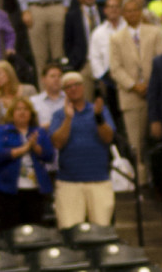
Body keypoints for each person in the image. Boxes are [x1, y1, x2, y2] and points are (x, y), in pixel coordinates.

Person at [109, 0, 162, 184]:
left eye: (135, 10)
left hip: (155, 93)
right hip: (131, 96)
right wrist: (134, 86)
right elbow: (115, 68)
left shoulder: (154, 32)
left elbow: (161, 60)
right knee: (136, 144)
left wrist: (152, 84)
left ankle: (159, 181)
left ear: (141, 12)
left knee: (157, 138)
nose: (132, 13)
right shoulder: (116, 38)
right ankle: (141, 184)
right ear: (123, 14)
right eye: (128, 11)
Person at [50, 72, 115, 229]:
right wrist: (68, 118)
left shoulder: (100, 110)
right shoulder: (59, 115)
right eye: (68, 87)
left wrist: (98, 116)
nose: (73, 89)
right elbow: (57, 143)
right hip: (69, 182)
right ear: (64, 91)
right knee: (69, 230)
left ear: (84, 87)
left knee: (102, 230)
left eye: (77, 84)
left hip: (99, 179)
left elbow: (108, 138)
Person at [0, 97, 54, 231]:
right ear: (12, 113)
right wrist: (25, 148)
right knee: (10, 229)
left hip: (35, 189)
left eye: (25, 109)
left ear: (31, 113)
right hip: (8, 190)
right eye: (18, 109)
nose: (22, 112)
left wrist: (36, 147)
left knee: (35, 229)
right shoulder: (3, 131)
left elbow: (49, 156)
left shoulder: (39, 132)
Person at [64, 0, 102, 101]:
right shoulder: (72, 16)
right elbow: (67, 43)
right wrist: (75, 62)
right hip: (84, 63)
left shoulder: (104, 12)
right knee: (85, 100)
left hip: (105, 62)